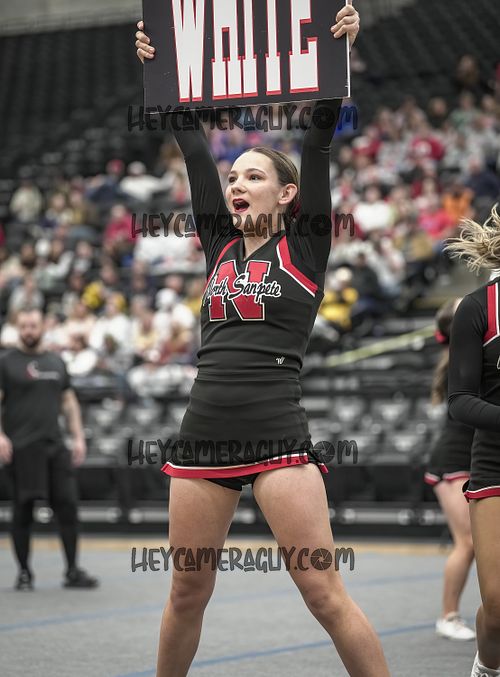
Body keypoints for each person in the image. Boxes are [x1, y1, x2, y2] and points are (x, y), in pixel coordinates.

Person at [135, 4, 390, 676]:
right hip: (203, 432)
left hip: (278, 433)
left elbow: (319, 139)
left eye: (254, 176)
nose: (237, 184)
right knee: (186, 592)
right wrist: (161, 67)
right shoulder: (219, 242)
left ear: (287, 195)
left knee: (323, 594)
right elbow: (192, 146)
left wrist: (338, 55)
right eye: (234, 177)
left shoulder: (306, 246)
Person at [0, 307, 98, 590]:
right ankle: (24, 573)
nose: (28, 331)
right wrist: (1, 436)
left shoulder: (56, 361)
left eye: (33, 325)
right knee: (23, 509)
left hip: (54, 445)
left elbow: (68, 401)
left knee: (68, 506)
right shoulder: (6, 362)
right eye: (24, 326)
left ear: (42, 326)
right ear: (18, 328)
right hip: (21, 447)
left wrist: (78, 438)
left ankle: (72, 570)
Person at [445, 204, 500, 676]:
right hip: (495, 461)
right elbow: (460, 401)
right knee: (497, 605)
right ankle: (487, 665)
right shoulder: (478, 306)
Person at [424, 299, 475, 641]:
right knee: (467, 542)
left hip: (473, 458)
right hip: (452, 461)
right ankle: (448, 616)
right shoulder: (461, 359)